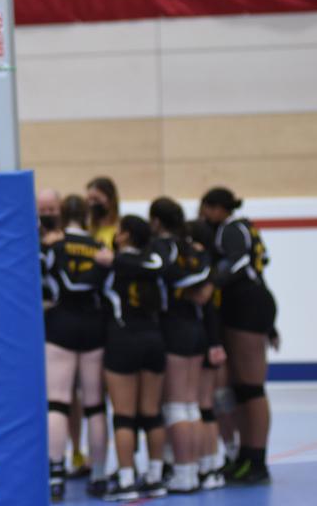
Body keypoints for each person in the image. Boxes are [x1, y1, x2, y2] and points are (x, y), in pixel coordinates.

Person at [200, 187, 276, 484]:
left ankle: (256, 459)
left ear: (218, 208)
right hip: (246, 305)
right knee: (242, 388)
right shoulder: (241, 228)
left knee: (252, 388)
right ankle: (246, 455)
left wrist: (212, 282)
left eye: (206, 209)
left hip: (247, 305)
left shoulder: (232, 228)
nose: (204, 216)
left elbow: (242, 262)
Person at [41, 195, 109, 500]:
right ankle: (99, 474)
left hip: (61, 324)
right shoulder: (100, 248)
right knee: (94, 403)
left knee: (58, 401)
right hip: (94, 325)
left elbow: (44, 283)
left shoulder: (54, 246)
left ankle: (56, 474)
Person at [96, 215, 167, 501]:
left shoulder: (111, 263)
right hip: (153, 339)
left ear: (125, 236)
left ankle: (126, 480)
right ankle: (155, 477)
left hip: (123, 338)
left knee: (124, 415)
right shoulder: (152, 263)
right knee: (151, 412)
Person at [149, 197, 212, 493]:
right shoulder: (192, 247)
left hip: (174, 327)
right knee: (191, 406)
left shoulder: (163, 247)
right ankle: (196, 469)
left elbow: (167, 274)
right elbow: (203, 282)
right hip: (196, 328)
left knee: (177, 406)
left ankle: (185, 473)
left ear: (157, 221)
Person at [186, 220, 228, 491]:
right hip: (209, 338)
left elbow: (206, 307)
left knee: (201, 406)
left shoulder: (202, 270)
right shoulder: (209, 268)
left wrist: (214, 343)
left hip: (202, 339)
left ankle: (208, 465)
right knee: (205, 406)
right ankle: (210, 464)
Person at [86, 177, 119, 250]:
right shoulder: (86, 228)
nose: (92, 204)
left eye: (96, 199)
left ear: (110, 199)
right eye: (89, 200)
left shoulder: (120, 230)